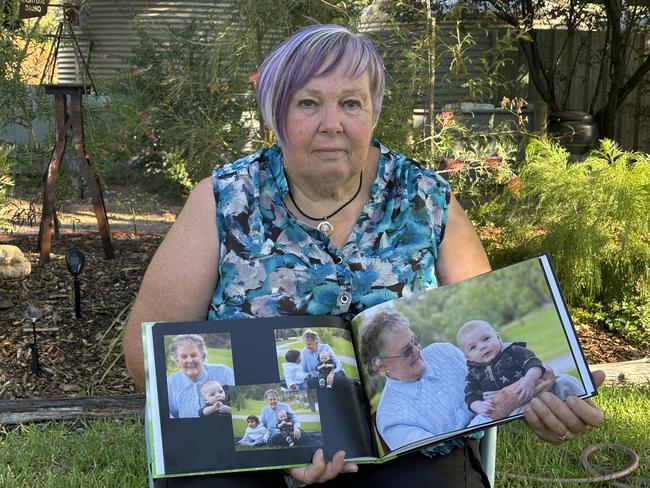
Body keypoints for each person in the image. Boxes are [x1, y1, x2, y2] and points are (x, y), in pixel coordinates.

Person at [123, 23, 605, 486]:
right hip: (249, 444)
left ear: (373, 111)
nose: (331, 124)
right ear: (275, 114)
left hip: (404, 448)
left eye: (350, 103)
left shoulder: (425, 198)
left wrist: (539, 398)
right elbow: (146, 360)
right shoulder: (224, 199)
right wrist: (283, 446)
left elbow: (483, 343)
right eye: (307, 103)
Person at [360, 309, 476, 455]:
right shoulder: (391, 418)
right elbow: (443, 456)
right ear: (382, 366)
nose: (416, 350)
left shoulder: (442, 351)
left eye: (414, 340)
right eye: (406, 351)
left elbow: (487, 379)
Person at [457, 320, 585, 425]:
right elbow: (471, 396)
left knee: (566, 381)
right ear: (468, 357)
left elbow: (534, 363)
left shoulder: (512, 351)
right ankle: (554, 423)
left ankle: (583, 402)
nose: (482, 346)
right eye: (473, 347)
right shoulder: (473, 373)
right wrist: (479, 406)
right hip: (513, 408)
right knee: (523, 416)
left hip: (535, 386)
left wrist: (529, 379)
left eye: (486, 339)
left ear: (498, 338)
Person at [166, 334, 235, 419]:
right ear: (177, 361)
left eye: (193, 355)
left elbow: (239, 409)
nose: (190, 360)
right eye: (183, 357)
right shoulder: (170, 383)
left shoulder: (224, 373)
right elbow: (171, 415)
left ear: (203, 356)